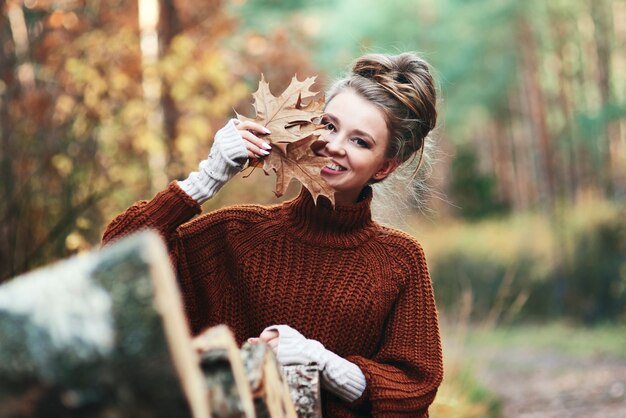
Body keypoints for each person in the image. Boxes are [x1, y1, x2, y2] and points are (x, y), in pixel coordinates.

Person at [103, 52, 443, 417]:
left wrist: (323, 363)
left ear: (385, 167)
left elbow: (415, 389)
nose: (334, 145)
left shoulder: (398, 260)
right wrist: (206, 179)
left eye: (360, 142)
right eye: (329, 125)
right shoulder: (236, 235)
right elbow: (116, 256)